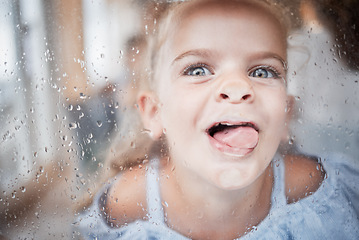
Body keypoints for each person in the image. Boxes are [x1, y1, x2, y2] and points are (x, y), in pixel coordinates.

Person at [75, 0, 359, 239]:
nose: (237, 88)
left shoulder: (313, 191)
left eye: (263, 72)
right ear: (154, 112)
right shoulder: (128, 203)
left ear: (285, 115)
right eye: (198, 70)